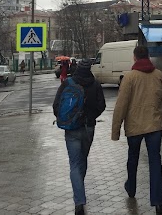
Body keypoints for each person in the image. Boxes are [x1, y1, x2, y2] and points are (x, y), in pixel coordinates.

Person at [111, 45, 162, 215]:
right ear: (148, 56)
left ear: (135, 58)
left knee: (133, 158)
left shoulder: (129, 77)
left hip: (134, 126)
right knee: (155, 161)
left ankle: (131, 187)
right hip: (154, 125)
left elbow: (121, 105)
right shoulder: (158, 75)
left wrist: (115, 131)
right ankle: (158, 203)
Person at [53, 60, 106, 215]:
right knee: (82, 159)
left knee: (75, 164)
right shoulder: (95, 84)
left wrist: (67, 119)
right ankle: (79, 190)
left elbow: (56, 105)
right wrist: (91, 117)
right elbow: (101, 105)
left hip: (72, 129)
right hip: (89, 128)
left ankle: (79, 201)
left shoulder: (68, 83)